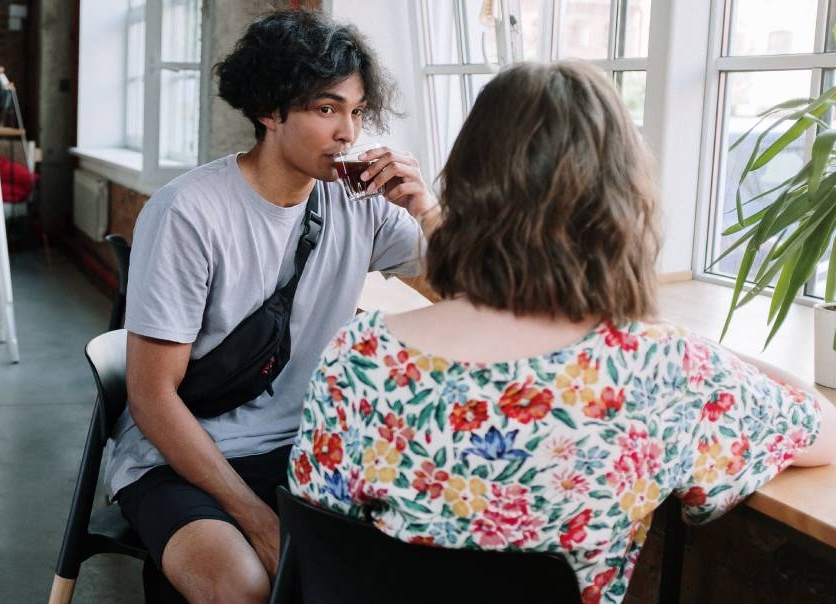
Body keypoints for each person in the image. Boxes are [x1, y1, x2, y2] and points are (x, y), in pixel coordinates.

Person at [287, 61, 836, 604]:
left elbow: (321, 544)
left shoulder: (358, 355)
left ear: (468, 182)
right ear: (621, 201)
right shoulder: (665, 367)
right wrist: (706, 353)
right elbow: (823, 432)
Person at [107, 8, 439, 602]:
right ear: (269, 109)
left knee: (414, 552)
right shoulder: (188, 212)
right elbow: (151, 399)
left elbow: (475, 287)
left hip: (303, 448)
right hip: (181, 455)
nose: (348, 134)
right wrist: (258, 520)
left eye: (356, 112)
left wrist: (428, 210)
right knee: (243, 584)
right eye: (325, 108)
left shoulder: (357, 202)